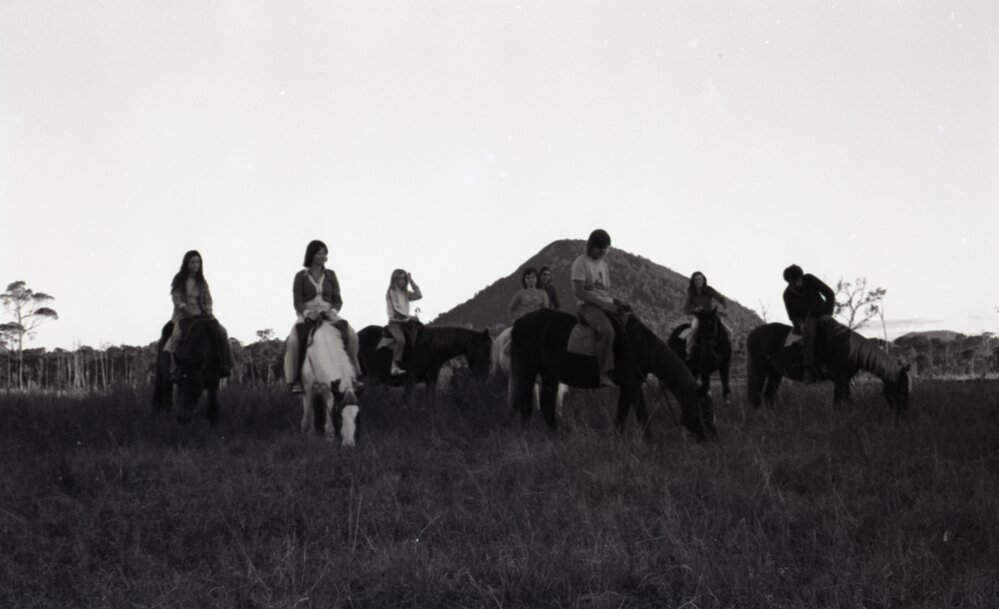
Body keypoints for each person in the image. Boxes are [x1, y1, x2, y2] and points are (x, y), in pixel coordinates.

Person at [283, 240, 362, 393]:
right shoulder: (300, 276)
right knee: (293, 341)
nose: (324, 256)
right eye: (320, 253)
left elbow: (338, 300)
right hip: (308, 311)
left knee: (352, 335)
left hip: (328, 312)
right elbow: (297, 302)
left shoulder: (331, 275)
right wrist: (306, 313)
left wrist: (332, 312)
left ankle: (355, 374)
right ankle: (294, 380)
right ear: (311, 255)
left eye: (325, 253)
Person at [571, 229, 627, 387]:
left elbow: (604, 292)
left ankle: (622, 366)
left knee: (628, 325)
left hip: (604, 304)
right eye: (600, 248)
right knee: (607, 331)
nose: (603, 252)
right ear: (591, 246)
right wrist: (605, 305)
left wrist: (617, 302)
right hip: (587, 305)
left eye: (605, 248)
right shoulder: (580, 263)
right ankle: (603, 373)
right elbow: (580, 292)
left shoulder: (604, 266)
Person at [165, 250, 232, 380]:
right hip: (184, 315)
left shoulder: (202, 282)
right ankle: (174, 368)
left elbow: (208, 300)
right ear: (186, 264)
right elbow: (178, 301)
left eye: (198, 262)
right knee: (176, 334)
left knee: (223, 331)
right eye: (192, 262)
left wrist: (207, 311)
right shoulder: (179, 280)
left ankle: (225, 364)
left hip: (203, 316)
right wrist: (190, 311)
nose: (195, 265)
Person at [782, 264, 836, 382]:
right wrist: (800, 323)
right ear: (789, 282)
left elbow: (829, 294)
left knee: (837, 333)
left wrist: (828, 313)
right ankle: (808, 368)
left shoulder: (810, 279)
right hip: (806, 320)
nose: (798, 282)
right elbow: (792, 315)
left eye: (799, 279)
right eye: (794, 281)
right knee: (809, 333)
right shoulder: (787, 295)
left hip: (822, 314)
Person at [683, 271, 733, 361]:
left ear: (703, 280)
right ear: (693, 282)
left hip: (711, 316)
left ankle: (728, 352)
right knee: (693, 330)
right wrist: (694, 310)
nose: (698, 281)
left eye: (700, 279)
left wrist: (726, 309)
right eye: (696, 280)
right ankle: (689, 352)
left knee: (728, 331)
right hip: (699, 317)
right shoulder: (691, 293)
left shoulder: (709, 290)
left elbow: (722, 299)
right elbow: (685, 309)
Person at [385, 268, 422, 376]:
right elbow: (397, 309)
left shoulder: (405, 292)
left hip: (406, 321)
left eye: (405, 279)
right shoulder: (391, 291)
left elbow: (419, 295)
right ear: (395, 279)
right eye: (401, 278)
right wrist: (411, 317)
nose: (404, 281)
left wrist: (412, 281)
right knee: (401, 340)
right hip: (395, 322)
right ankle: (394, 366)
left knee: (421, 335)